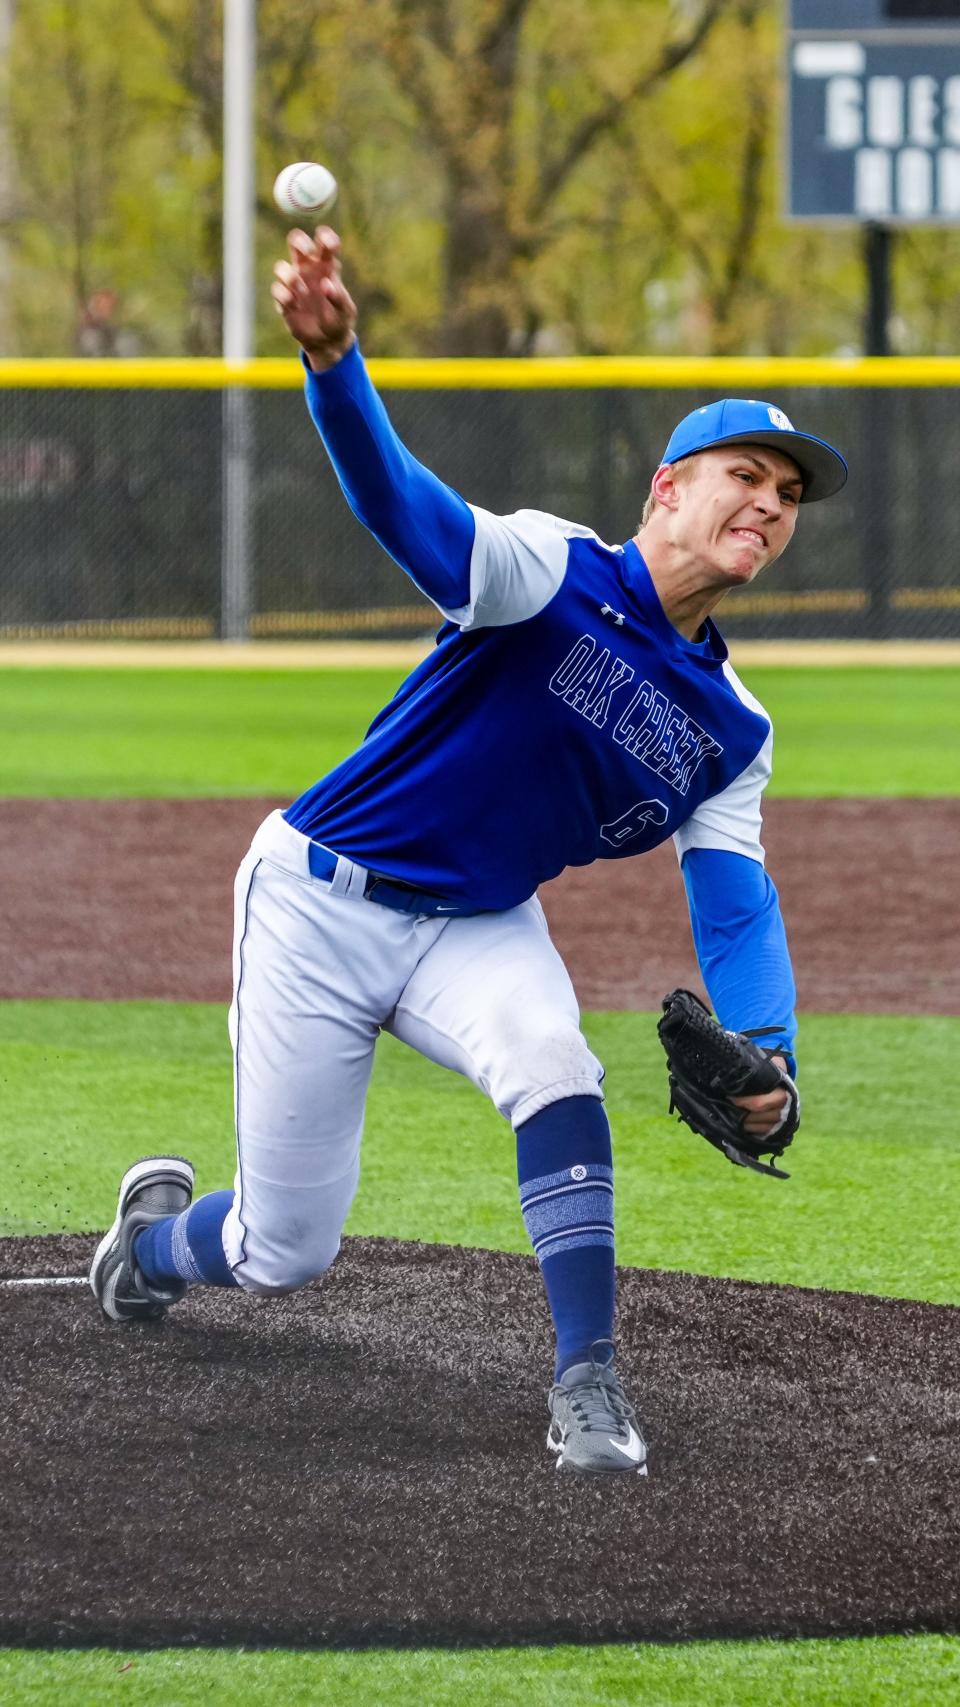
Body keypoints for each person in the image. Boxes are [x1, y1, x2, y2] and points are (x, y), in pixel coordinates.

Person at [89, 228, 847, 1477]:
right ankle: (154, 1246)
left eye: (788, 495)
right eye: (745, 475)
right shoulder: (545, 568)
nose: (769, 503)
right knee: (283, 1253)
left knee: (558, 1065)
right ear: (666, 488)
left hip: (476, 923)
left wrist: (771, 1051)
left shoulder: (735, 729)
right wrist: (334, 363)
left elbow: (734, 905)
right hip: (317, 901)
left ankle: (588, 1383)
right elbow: (404, 508)